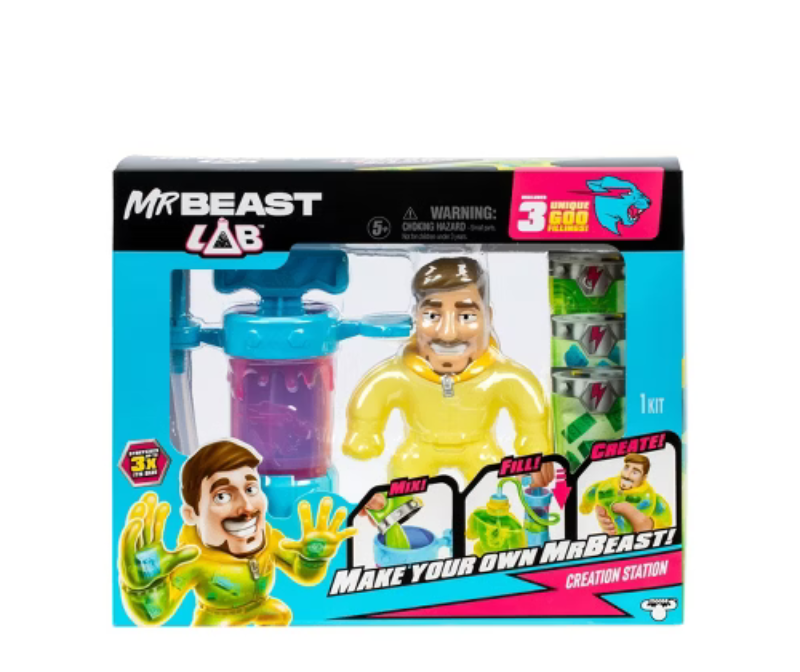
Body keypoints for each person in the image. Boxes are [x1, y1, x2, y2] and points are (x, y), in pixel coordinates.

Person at [344, 257, 551, 483]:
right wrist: (364, 432)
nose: (448, 334)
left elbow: (527, 400)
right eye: (432, 315)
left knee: (494, 484)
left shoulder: (497, 375)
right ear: (415, 317)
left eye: (466, 316)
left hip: (479, 448)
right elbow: (375, 392)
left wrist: (535, 442)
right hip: (420, 447)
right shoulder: (402, 375)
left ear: (488, 318)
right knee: (404, 479)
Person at [118, 439, 355, 626]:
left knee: (281, 614)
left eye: (251, 489)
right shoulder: (195, 560)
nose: (247, 507)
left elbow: (304, 575)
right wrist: (143, 589)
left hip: (260, 607)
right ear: (192, 514)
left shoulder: (270, 539)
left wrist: (313, 558)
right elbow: (155, 614)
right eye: (222, 496)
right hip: (217, 619)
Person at [579, 453, 672, 535]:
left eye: (635, 472)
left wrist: (653, 528)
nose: (627, 474)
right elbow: (594, 490)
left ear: (644, 477)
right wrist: (586, 505)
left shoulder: (651, 498)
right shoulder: (606, 485)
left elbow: (664, 519)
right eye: (626, 468)